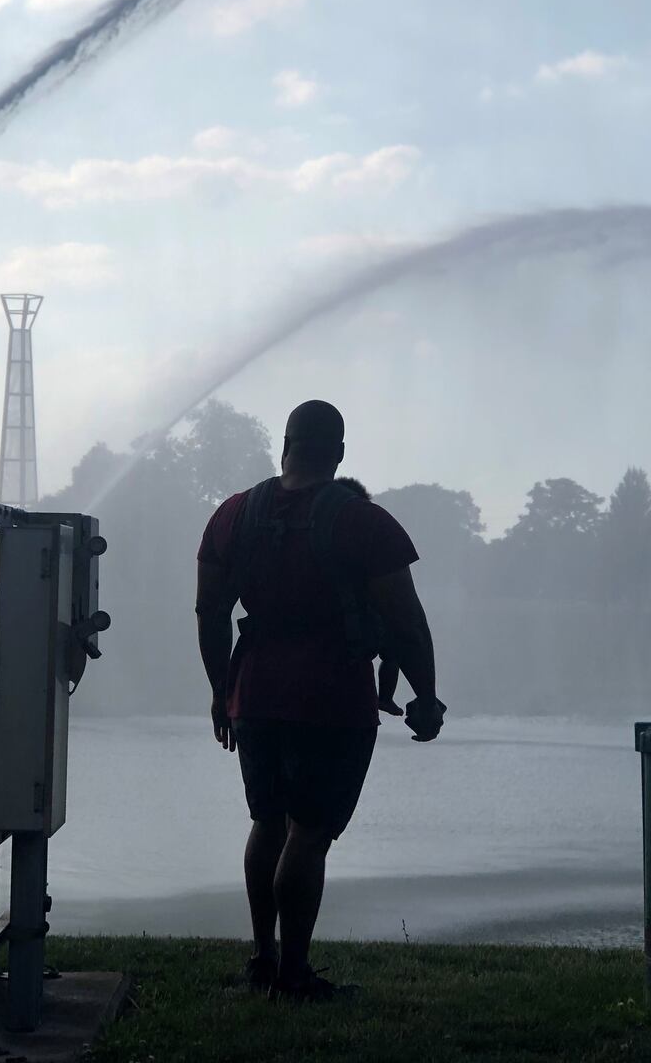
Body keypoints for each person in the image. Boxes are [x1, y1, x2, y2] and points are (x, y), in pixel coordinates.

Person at [195, 399, 445, 1001]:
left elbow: (210, 611)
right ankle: (294, 974)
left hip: (252, 692)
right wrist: (427, 696)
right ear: (337, 452)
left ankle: (263, 959)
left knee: (267, 823)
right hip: (332, 698)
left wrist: (219, 687)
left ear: (285, 446)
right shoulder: (363, 522)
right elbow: (405, 620)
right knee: (308, 834)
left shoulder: (233, 515)